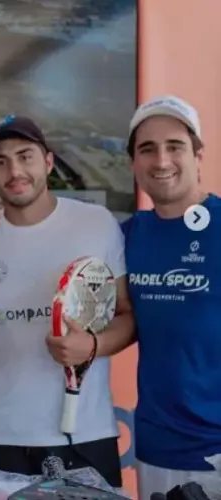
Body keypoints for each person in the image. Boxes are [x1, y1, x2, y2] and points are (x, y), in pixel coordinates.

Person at [0, 115, 135, 488]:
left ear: (48, 161)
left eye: (25, 156)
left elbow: (126, 315)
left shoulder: (97, 223)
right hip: (1, 437)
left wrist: (92, 346)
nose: (15, 170)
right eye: (0, 161)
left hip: (85, 433)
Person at [120, 96, 220, 499]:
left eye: (174, 146)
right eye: (147, 149)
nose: (161, 160)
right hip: (156, 449)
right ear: (133, 164)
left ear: (198, 156)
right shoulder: (126, 236)